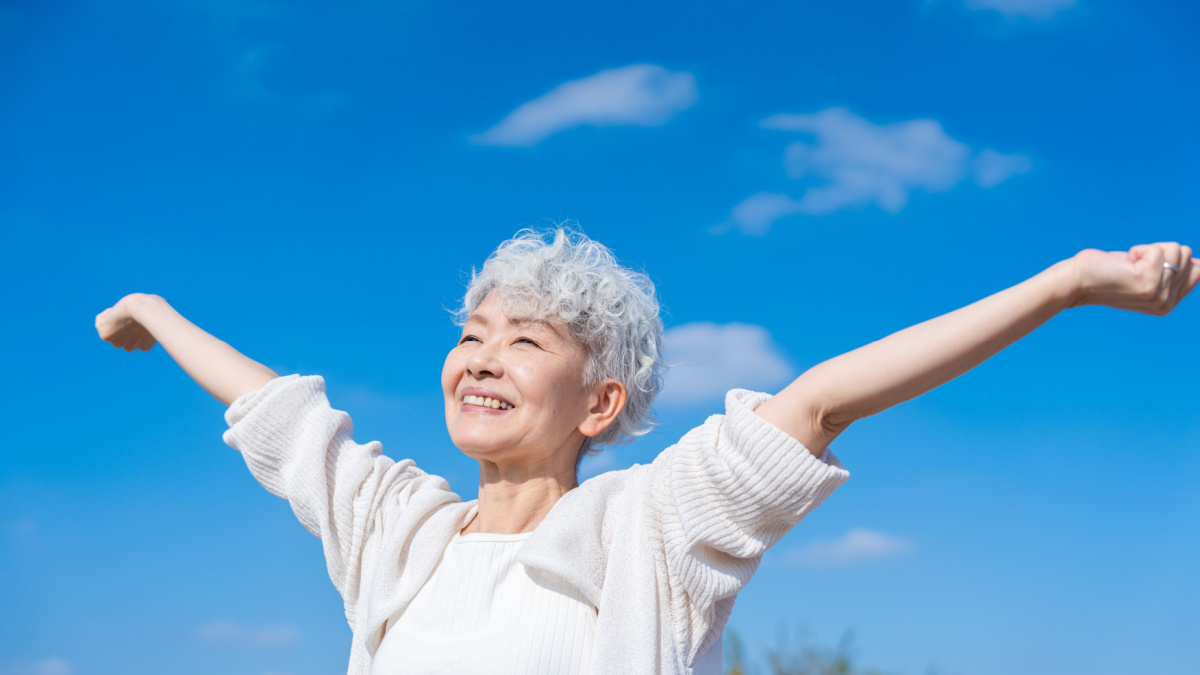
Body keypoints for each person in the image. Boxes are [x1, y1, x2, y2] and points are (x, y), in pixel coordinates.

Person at [95, 228, 1197, 675]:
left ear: (599, 400)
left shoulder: (648, 530)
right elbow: (284, 419)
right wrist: (155, 310)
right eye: (470, 336)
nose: (477, 360)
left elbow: (820, 402)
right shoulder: (399, 533)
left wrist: (1068, 285)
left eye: (522, 342)